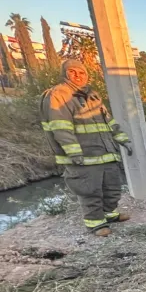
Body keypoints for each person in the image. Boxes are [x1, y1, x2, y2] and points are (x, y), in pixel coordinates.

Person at [40, 59, 133, 236]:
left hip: (105, 153)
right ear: (65, 74)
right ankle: (96, 224)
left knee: (112, 187)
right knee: (90, 190)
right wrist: (74, 153)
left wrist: (123, 140)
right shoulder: (59, 95)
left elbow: (109, 122)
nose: (78, 76)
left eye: (82, 72)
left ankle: (109, 215)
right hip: (83, 157)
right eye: (73, 72)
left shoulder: (92, 95)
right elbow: (60, 127)